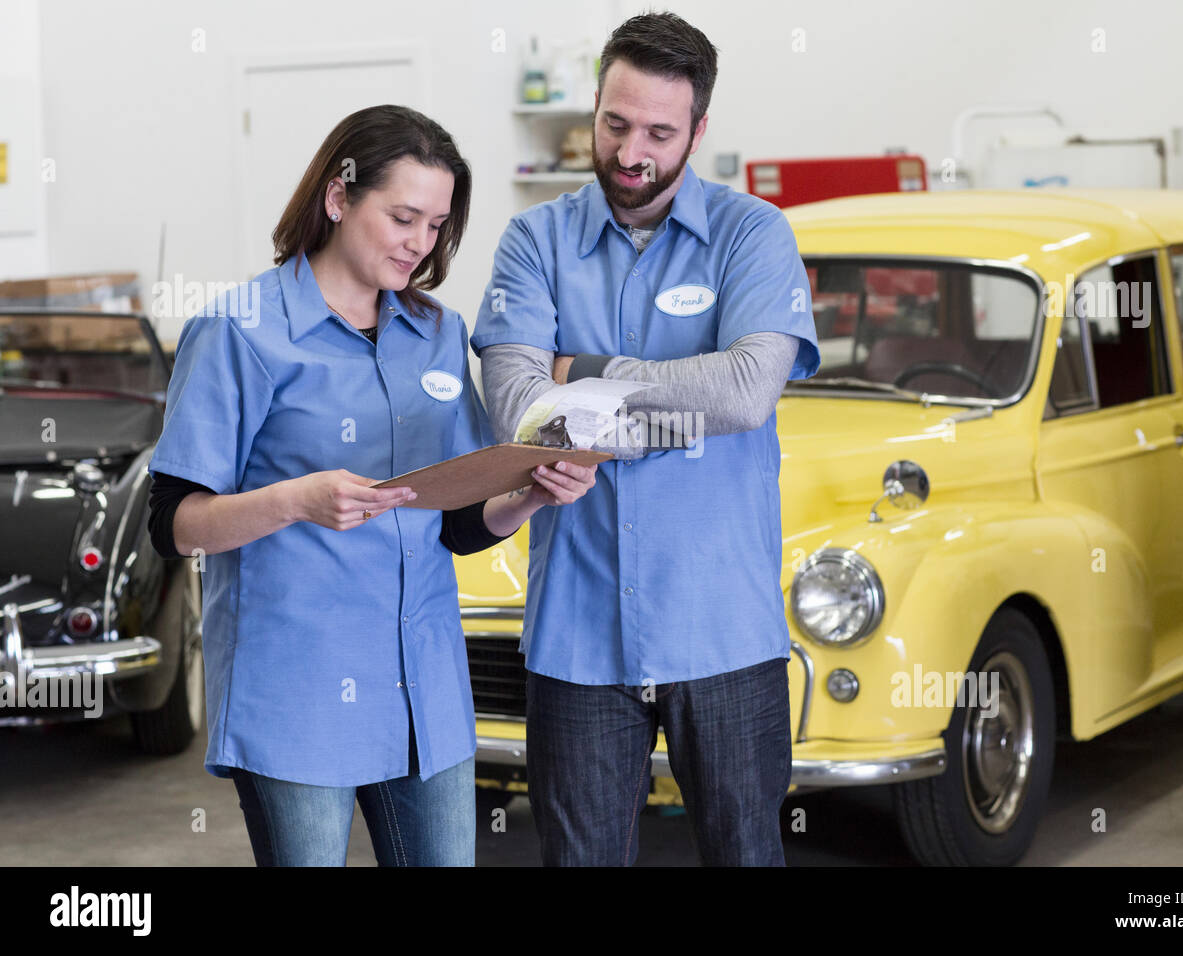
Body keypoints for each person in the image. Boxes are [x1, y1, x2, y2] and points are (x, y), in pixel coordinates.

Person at [146, 105, 596, 867]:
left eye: (437, 225)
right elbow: (175, 525)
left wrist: (528, 492)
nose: (420, 243)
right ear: (337, 198)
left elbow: (453, 519)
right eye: (403, 217)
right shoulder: (239, 331)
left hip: (425, 687)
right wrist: (295, 499)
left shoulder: (438, 332)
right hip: (298, 691)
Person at [472, 13, 820, 866]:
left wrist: (583, 376)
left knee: (746, 855)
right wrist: (669, 401)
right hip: (578, 636)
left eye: (660, 133)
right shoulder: (534, 242)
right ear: (594, 107)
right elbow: (519, 408)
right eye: (615, 123)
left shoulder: (754, 236)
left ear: (699, 131)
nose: (632, 152)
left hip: (723, 632)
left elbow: (745, 394)